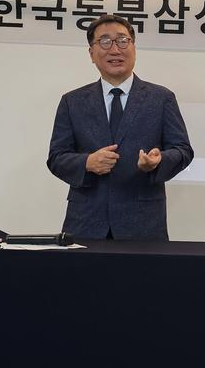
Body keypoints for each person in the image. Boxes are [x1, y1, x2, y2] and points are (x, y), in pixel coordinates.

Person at [47, 14, 193, 240]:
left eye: (123, 41)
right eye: (105, 42)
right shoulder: (72, 101)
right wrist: (87, 162)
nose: (115, 49)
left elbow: (183, 151)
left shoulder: (161, 98)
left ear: (134, 48)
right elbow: (56, 157)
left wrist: (158, 161)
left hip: (143, 224)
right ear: (91, 53)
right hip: (85, 222)